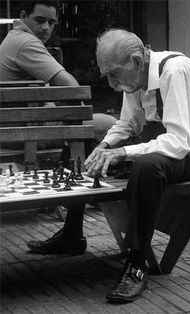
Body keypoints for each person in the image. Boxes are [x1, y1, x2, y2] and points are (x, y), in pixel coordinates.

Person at [83, 29, 190, 303]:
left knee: (146, 166)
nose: (111, 84)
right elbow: (126, 124)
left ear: (136, 60)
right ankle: (72, 234)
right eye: (107, 76)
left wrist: (125, 152)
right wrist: (106, 147)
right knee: (96, 159)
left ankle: (137, 262)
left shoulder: (174, 70)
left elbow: (179, 143)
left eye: (114, 74)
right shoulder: (134, 79)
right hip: (159, 146)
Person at [0, 1, 116, 255]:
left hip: (19, 127)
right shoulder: (25, 43)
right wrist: (78, 112)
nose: (45, 28)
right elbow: (71, 87)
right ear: (23, 16)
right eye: (40, 20)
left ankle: (73, 230)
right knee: (110, 127)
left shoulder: (12, 39)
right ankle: (106, 210)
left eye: (51, 22)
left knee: (82, 138)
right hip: (26, 133)